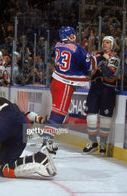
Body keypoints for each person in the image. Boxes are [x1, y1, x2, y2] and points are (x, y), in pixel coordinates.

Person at [41, 26, 99, 155]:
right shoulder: (76, 48)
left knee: (55, 113)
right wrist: (99, 57)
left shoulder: (58, 45)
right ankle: (46, 142)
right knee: (58, 115)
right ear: (71, 36)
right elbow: (90, 65)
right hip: (65, 83)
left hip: (56, 80)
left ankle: (47, 140)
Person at [83, 36, 120, 154]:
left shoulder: (115, 57)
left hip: (108, 89)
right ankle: (92, 142)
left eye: (108, 42)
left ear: (112, 45)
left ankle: (103, 143)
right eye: (104, 42)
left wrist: (100, 65)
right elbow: (88, 71)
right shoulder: (96, 54)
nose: (105, 44)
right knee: (91, 114)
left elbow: (109, 73)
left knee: (105, 117)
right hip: (95, 87)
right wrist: (99, 63)